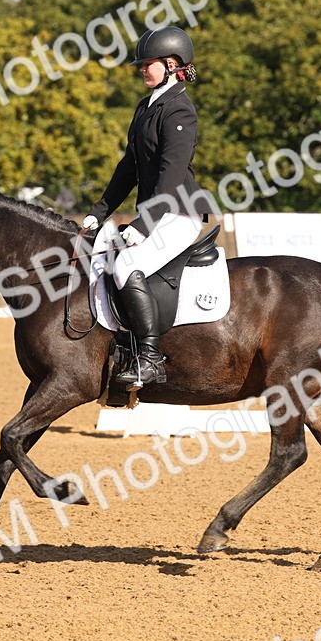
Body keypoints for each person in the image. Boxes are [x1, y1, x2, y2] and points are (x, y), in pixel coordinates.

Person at [81, 26, 218, 390]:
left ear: (172, 65)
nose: (142, 69)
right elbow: (129, 167)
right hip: (157, 212)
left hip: (178, 212)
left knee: (126, 264)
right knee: (102, 259)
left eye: (148, 64)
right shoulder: (147, 107)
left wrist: (144, 224)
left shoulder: (180, 109)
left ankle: (151, 360)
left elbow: (170, 175)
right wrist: (101, 210)